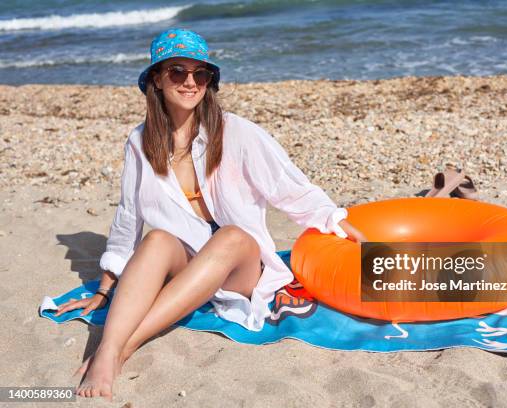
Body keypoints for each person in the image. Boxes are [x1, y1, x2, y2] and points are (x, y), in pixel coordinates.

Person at [52, 28, 367, 400]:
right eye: (177, 72)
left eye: (200, 74)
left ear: (209, 81)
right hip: (190, 267)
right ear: (156, 78)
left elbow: (290, 188)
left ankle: (114, 350)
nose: (190, 82)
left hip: (241, 270)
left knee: (231, 235)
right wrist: (105, 289)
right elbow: (128, 215)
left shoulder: (238, 132)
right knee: (156, 239)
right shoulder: (140, 142)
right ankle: (113, 347)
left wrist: (334, 220)